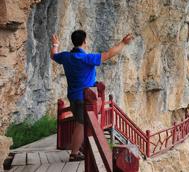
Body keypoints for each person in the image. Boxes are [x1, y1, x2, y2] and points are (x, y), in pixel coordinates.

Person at [50, 30, 133, 161]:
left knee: (80, 123)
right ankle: (74, 153)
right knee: (81, 125)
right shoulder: (87, 59)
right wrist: (123, 43)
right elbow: (110, 53)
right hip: (85, 99)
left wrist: (55, 45)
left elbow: (53, 55)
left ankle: (77, 150)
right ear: (85, 41)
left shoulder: (66, 57)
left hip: (73, 96)